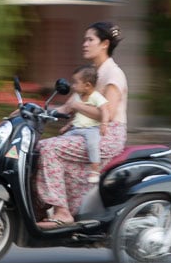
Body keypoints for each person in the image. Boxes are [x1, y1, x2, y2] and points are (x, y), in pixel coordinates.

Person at [35, 22, 127, 229]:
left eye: (89, 40)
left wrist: (76, 105)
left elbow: (109, 114)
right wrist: (32, 111)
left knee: (50, 148)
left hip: (106, 135)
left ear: (104, 44)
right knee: (39, 148)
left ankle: (63, 212)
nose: (84, 44)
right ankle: (39, 208)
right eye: (84, 39)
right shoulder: (90, 73)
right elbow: (66, 109)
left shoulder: (113, 74)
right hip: (84, 132)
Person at [58, 65, 109, 184]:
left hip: (91, 129)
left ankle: (95, 170)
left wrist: (104, 124)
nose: (72, 85)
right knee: (61, 141)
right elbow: (76, 117)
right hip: (76, 128)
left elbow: (105, 110)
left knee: (92, 144)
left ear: (87, 86)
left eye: (75, 83)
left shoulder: (96, 97)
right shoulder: (77, 96)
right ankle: (64, 168)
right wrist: (67, 126)